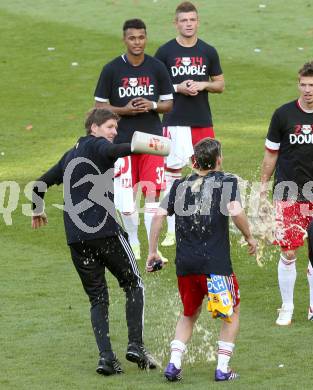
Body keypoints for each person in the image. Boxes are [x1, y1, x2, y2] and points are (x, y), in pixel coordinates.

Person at [31, 108, 157, 376]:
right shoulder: (99, 145)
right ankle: (135, 345)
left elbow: (39, 185)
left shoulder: (70, 154)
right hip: (105, 231)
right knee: (133, 283)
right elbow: (112, 152)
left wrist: (37, 209)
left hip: (76, 239)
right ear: (94, 128)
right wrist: (136, 146)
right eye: (111, 127)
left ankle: (106, 359)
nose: (113, 132)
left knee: (98, 298)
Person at [147, 138, 257, 382]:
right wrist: (249, 237)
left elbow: (158, 216)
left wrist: (152, 251)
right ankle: (222, 369)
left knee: (189, 313)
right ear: (218, 160)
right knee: (231, 312)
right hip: (216, 267)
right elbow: (236, 211)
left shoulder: (179, 185)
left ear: (195, 161)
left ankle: (174, 364)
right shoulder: (226, 181)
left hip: (186, 266)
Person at [94, 18, 174, 261]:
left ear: (146, 38)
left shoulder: (157, 67)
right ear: (124, 39)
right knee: (127, 202)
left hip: (152, 140)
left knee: (152, 194)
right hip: (122, 142)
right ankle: (133, 240)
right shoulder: (111, 69)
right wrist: (126, 110)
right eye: (132, 38)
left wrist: (151, 105)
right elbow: (99, 106)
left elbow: (168, 104)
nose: (137, 42)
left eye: (141, 37)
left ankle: (152, 248)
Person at [155, 1, 224, 247]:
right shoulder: (164, 52)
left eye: (192, 20)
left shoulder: (208, 51)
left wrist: (202, 84)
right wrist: (178, 87)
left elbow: (220, 84)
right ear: (176, 23)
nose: (188, 24)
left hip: (202, 120)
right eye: (183, 20)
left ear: (198, 22)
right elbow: (155, 88)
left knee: (210, 173)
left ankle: (209, 223)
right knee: (173, 176)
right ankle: (173, 229)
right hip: (174, 121)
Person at [260, 61, 313, 325]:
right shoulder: (283, 115)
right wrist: (262, 189)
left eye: (312, 85)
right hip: (288, 194)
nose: (307, 90)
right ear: (298, 84)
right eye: (303, 84)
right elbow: (270, 155)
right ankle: (287, 306)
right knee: (289, 252)